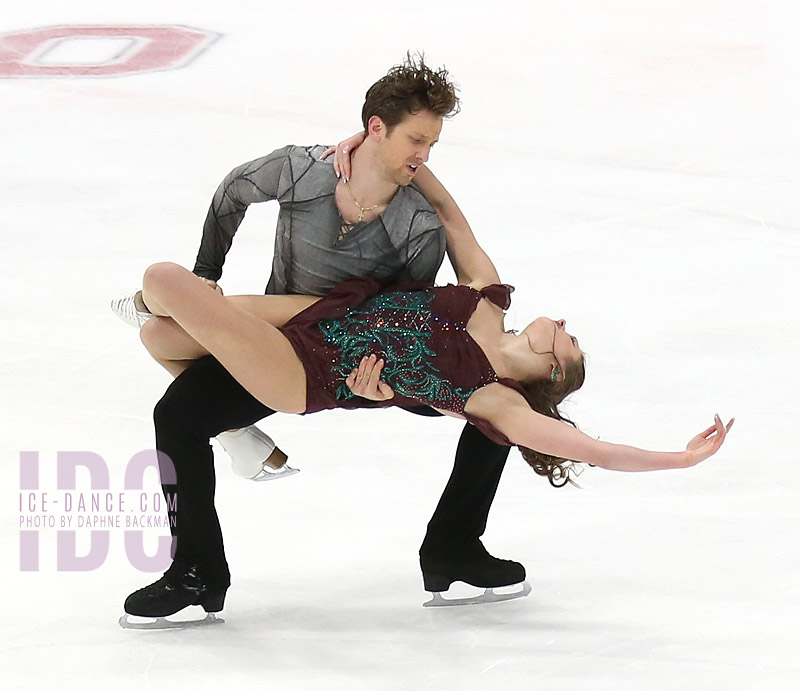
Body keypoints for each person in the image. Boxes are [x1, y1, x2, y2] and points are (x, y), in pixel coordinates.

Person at [115, 54, 534, 617]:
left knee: (506, 397)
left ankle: (453, 547)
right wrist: (206, 276)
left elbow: (399, 319)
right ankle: (197, 572)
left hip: (359, 361)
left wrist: (377, 386)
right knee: (177, 413)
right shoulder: (302, 170)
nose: (425, 155)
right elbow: (233, 191)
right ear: (376, 128)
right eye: (416, 140)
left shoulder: (417, 226)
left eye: (432, 144)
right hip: (282, 347)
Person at [121, 248, 732, 622]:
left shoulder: (500, 401)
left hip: (313, 368)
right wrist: (400, 158)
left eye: (570, 341)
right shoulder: (488, 305)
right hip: (323, 316)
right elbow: (448, 216)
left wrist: (679, 459)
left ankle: (199, 569)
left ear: (553, 370)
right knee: (160, 339)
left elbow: (595, 451)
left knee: (161, 283)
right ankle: (235, 444)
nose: (566, 323)